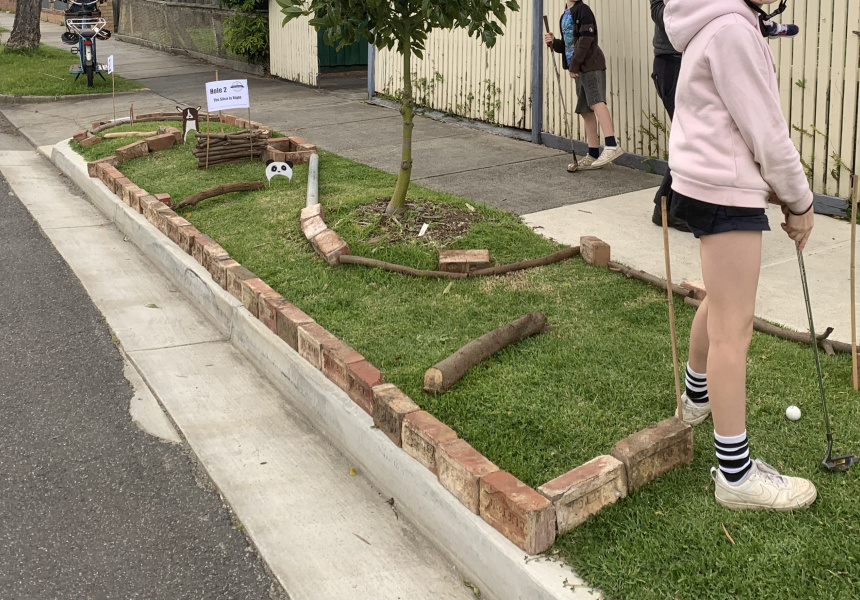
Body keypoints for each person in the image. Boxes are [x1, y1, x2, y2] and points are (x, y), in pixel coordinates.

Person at [664, 0, 817, 511]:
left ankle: (695, 400)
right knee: (735, 327)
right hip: (722, 188)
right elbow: (767, 133)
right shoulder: (733, 28)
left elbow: (729, 120)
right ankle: (735, 476)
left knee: (721, 302)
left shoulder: (711, 20)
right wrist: (800, 201)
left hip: (703, 181)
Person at [545, 0, 624, 172]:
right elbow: (569, 45)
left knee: (596, 101)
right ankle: (593, 153)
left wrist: (574, 64)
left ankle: (611, 144)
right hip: (579, 66)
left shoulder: (584, 10)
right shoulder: (565, 14)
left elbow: (586, 40)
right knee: (585, 110)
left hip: (590, 65)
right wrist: (554, 42)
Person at [649, 0, 691, 232]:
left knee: (691, 136)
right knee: (688, 136)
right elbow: (660, 13)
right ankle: (665, 208)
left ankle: (667, 206)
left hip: (691, 59)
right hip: (671, 62)